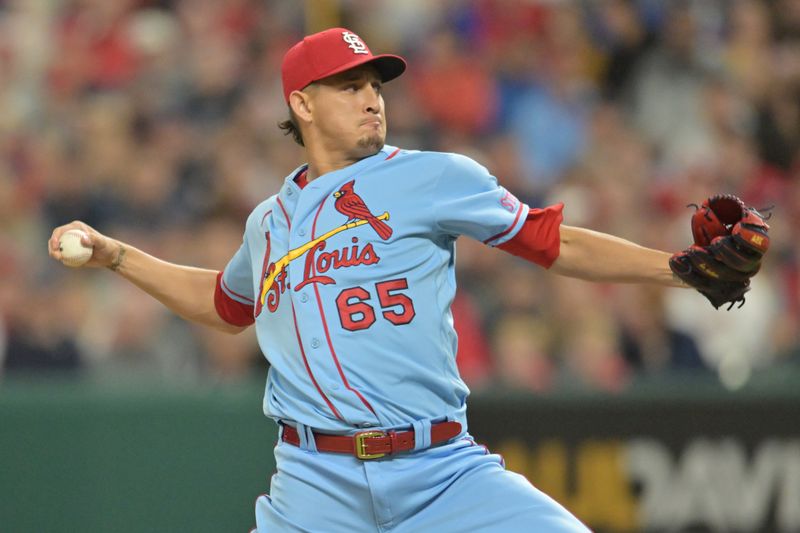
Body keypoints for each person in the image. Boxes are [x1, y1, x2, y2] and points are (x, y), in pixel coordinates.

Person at [49, 28, 687, 532]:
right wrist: (118, 257)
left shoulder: (431, 176)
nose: (371, 97)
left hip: (441, 471)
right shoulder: (268, 223)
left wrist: (680, 269)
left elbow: (554, 240)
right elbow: (224, 303)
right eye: (348, 86)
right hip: (313, 486)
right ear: (301, 103)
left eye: (374, 85)